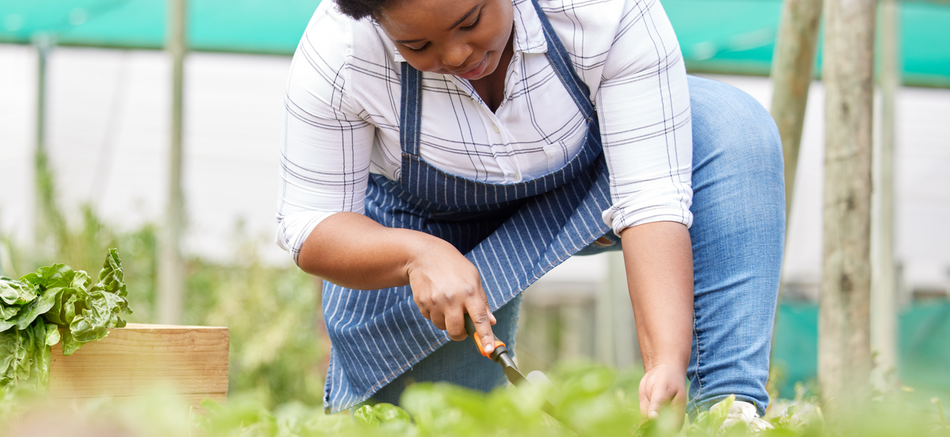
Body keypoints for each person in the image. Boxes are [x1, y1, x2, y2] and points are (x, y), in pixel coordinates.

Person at [275, 0, 785, 423]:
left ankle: (727, 411)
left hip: (587, 186)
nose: (457, 54)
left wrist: (666, 361)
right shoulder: (340, 50)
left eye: (470, 21)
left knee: (726, 127)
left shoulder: (597, 9)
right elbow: (309, 225)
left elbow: (650, 197)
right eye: (417, 46)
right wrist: (416, 255)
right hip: (430, 225)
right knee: (438, 422)